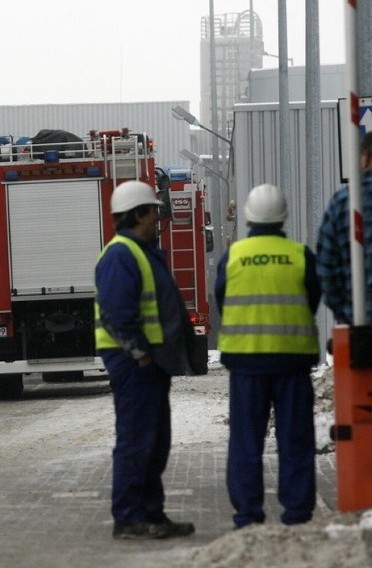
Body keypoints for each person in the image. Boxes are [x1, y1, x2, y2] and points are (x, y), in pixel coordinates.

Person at [94, 180, 197, 540]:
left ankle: (151, 513)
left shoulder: (141, 251)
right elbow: (116, 313)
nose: (159, 217)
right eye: (154, 211)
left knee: (154, 441)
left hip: (150, 364)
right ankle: (128, 517)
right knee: (137, 441)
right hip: (134, 364)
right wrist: (138, 354)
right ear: (139, 214)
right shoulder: (121, 254)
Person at [216, 183, 320, 529]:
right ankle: (298, 514)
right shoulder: (300, 255)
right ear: (283, 217)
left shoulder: (233, 256)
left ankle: (247, 515)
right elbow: (312, 299)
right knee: (295, 440)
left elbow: (222, 300)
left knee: (246, 441)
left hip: (246, 363)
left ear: (247, 216)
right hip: (292, 362)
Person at [316, 131, 372, 326]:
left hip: (361, 326)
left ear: (365, 158)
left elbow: (325, 270)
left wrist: (346, 312)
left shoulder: (343, 203)